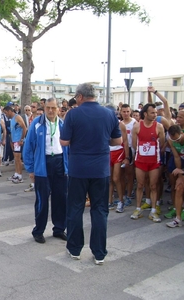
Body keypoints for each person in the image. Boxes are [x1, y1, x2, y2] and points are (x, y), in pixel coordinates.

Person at [60, 83, 122, 265]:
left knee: (75, 208)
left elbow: (64, 142)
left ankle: (74, 249)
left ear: (79, 96)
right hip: (101, 169)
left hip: (78, 169)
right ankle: (99, 252)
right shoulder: (109, 113)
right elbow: (117, 140)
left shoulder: (73, 114)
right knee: (100, 210)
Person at [23, 98, 69, 244]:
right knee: (42, 200)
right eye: (48, 107)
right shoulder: (36, 124)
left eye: (53, 108)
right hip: (43, 164)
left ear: (58, 109)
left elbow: (69, 148)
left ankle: (59, 229)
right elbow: (28, 147)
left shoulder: (62, 124)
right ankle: (39, 231)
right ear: (44, 107)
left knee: (60, 198)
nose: (50, 111)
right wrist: (31, 169)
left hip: (60, 162)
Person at [130, 103, 165, 222]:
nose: (155, 115)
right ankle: (138, 208)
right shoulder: (137, 126)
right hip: (140, 161)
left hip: (154, 161)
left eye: (156, 112)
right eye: (152, 113)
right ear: (145, 114)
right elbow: (134, 144)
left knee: (153, 185)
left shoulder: (159, 126)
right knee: (140, 185)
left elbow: (162, 144)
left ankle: (154, 210)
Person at [166, 125, 184, 228]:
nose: (176, 141)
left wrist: (183, 171)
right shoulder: (172, 140)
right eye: (174, 139)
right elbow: (176, 157)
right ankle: (178, 219)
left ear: (182, 133)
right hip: (183, 163)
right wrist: (180, 174)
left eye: (178, 139)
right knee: (179, 188)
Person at [3, 105, 27, 184]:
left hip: (18, 141)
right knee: (16, 158)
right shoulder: (12, 119)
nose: (6, 115)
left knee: (18, 158)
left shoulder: (17, 117)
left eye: (6, 113)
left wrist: (22, 139)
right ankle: (16, 174)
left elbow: (24, 128)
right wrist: (11, 141)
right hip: (14, 141)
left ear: (10, 111)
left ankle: (20, 176)